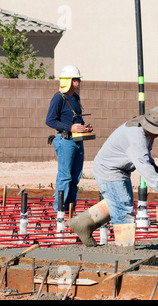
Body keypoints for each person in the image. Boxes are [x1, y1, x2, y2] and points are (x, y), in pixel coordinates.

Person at [68, 106, 158, 247]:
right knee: (123, 208)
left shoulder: (146, 132)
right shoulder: (136, 137)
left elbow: (144, 156)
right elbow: (142, 163)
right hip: (109, 170)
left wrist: (154, 166)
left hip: (119, 169)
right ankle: (124, 248)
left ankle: (82, 224)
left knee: (117, 202)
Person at [45, 65, 93, 212]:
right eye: (77, 79)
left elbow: (75, 120)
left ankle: (69, 210)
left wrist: (84, 126)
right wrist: (70, 128)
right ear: (70, 81)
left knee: (75, 178)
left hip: (77, 140)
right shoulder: (58, 98)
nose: (79, 81)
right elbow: (50, 120)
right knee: (65, 177)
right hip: (65, 141)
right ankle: (59, 210)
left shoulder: (75, 98)